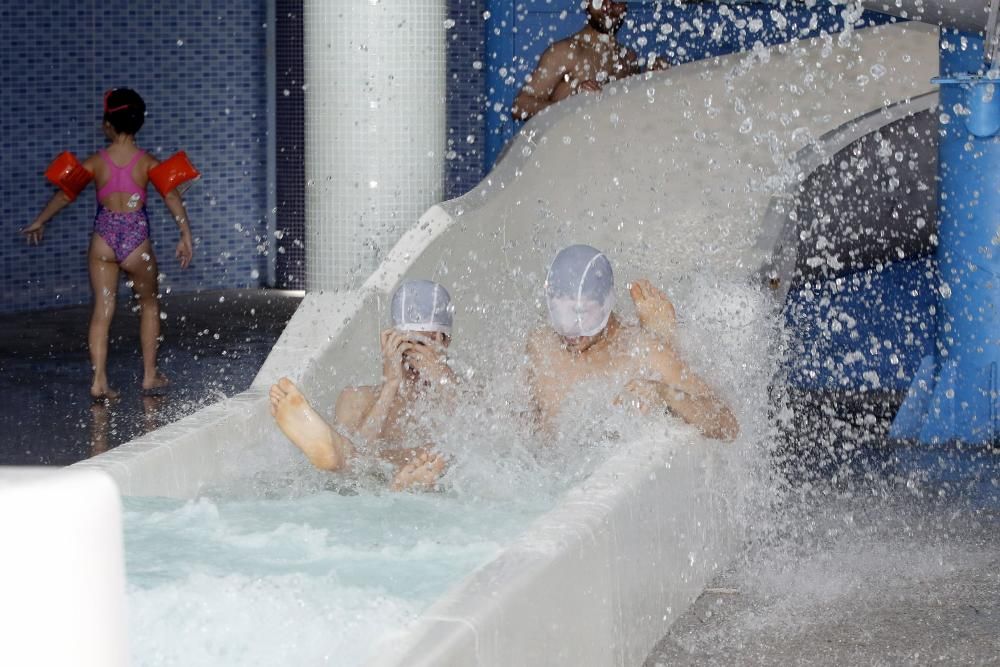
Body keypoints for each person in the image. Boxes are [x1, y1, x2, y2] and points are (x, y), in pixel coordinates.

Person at [21, 88, 194, 400]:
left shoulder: (96, 163)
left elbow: (65, 194)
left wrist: (40, 220)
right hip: (136, 242)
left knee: (103, 308)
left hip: (103, 240)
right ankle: (149, 375)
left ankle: (99, 381)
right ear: (138, 123)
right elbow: (171, 195)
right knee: (150, 304)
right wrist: (185, 235)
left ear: (107, 125)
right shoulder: (147, 163)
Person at [527, 245, 739, 441]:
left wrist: (664, 393)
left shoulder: (640, 350)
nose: (570, 330)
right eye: (559, 311)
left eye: (582, 313)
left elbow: (728, 425)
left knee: (665, 347)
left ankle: (667, 335)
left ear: (607, 303)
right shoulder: (541, 345)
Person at [270, 280, 457, 491]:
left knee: (442, 455)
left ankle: (404, 485)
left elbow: (478, 445)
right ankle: (333, 452)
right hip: (368, 484)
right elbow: (352, 472)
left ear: (442, 341)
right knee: (354, 458)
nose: (412, 359)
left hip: (425, 481)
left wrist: (441, 376)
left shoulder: (465, 395)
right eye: (404, 347)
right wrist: (390, 385)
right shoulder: (357, 399)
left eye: (422, 346)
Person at [512, 0, 669, 121]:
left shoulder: (628, 58)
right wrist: (571, 106)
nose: (607, 6)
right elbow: (520, 107)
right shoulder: (566, 52)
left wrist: (652, 81)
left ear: (625, 5)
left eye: (615, 0)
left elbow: (632, 112)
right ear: (587, 2)